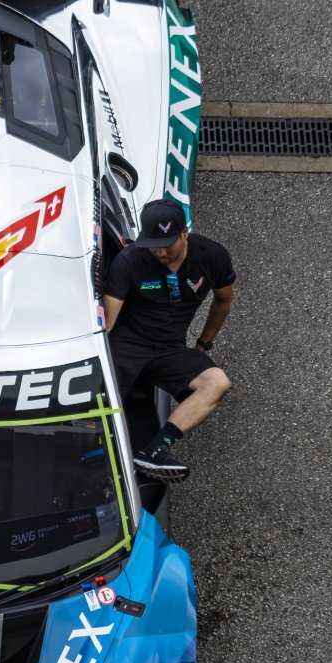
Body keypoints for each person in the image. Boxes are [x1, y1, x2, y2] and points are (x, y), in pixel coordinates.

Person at [102, 199, 235, 481]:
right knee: (97, 406)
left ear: (184, 233)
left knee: (217, 382)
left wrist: (203, 344)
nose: (160, 252)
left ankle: (156, 449)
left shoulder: (213, 256)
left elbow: (223, 301)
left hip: (169, 348)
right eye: (153, 244)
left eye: (166, 244)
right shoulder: (129, 261)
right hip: (126, 344)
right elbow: (107, 324)